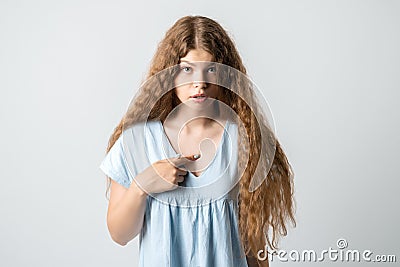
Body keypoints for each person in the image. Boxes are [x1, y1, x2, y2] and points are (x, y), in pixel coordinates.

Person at [100, 15, 295, 267]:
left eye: (211, 69)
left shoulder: (245, 141)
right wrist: (141, 185)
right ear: (168, 73)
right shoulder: (137, 141)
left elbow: (253, 245)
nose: (199, 83)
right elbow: (119, 234)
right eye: (186, 69)